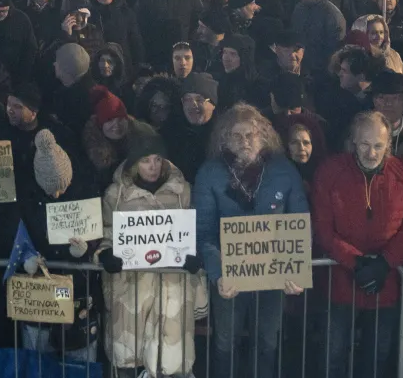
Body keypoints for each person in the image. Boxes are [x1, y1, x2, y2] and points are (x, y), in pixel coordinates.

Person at [195, 104, 308, 378]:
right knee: (225, 342)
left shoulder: (284, 171)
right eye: (236, 135)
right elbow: (204, 229)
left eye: (251, 134)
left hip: (273, 275)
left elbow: (301, 220)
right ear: (224, 139)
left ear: (264, 135)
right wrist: (217, 272)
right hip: (229, 273)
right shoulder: (210, 173)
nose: (244, 141)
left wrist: (297, 270)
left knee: (267, 342)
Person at [311, 111, 403, 378]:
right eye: (364, 144)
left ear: (388, 145)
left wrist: (385, 263)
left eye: (378, 146)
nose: (371, 153)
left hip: (385, 283)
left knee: (376, 360)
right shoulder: (330, 171)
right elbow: (322, 227)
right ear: (353, 141)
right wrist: (356, 262)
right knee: (332, 357)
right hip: (339, 280)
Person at [97, 127, 206, 378]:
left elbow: (195, 231)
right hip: (131, 292)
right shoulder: (115, 195)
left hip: (172, 292)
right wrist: (104, 254)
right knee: (128, 361)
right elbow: (103, 233)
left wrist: (194, 257)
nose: (153, 166)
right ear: (134, 163)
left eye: (158, 159)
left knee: (171, 362)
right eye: (146, 160)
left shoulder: (183, 191)